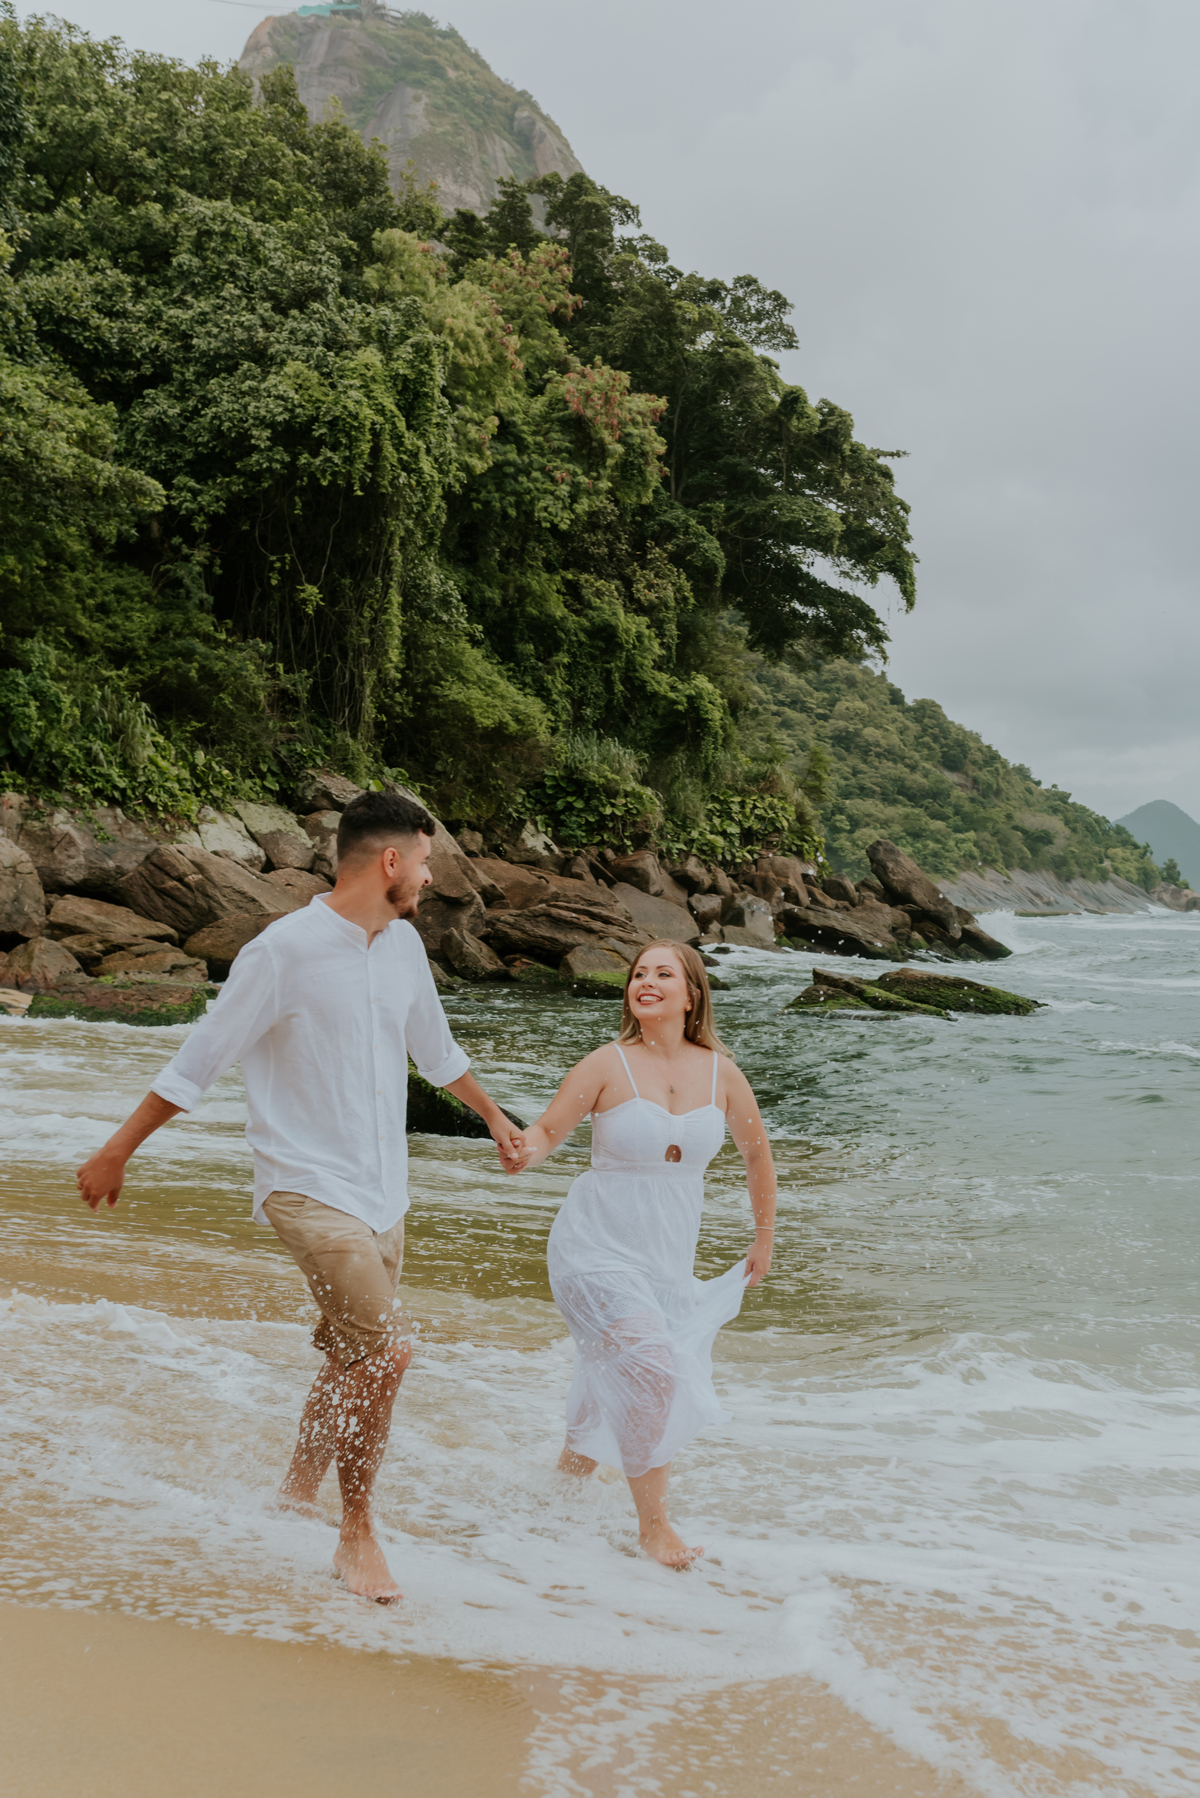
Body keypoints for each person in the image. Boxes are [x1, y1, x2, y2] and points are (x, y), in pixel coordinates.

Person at [75, 790, 522, 1605]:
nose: (430, 878)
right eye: (425, 862)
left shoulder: (404, 947)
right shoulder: (282, 952)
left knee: (351, 1355)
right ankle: (357, 1533)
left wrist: (495, 1118)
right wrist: (117, 1150)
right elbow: (200, 1061)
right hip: (305, 1186)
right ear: (391, 861)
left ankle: (294, 1491)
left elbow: (436, 1051)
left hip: (383, 1191)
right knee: (386, 1353)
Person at [509, 940, 776, 1568]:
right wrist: (524, 1150)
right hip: (592, 1246)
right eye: (638, 974)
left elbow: (757, 1154)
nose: (645, 982)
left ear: (692, 994)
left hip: (665, 1259)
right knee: (651, 1367)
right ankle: (654, 1527)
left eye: (663, 974)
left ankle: (561, 1491)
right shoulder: (606, 1064)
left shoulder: (722, 1073)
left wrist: (763, 1236)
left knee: (614, 1368)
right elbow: (547, 1131)